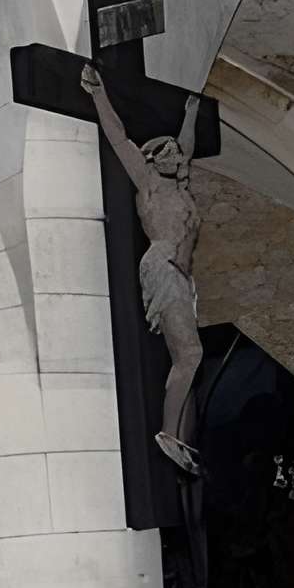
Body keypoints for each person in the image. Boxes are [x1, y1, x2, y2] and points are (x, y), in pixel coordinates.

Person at [82, 61, 206, 475]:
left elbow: (187, 145)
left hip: (184, 276)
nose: (176, 152)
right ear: (153, 160)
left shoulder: (182, 190)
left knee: (187, 357)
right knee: (190, 353)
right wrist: (98, 93)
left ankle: (179, 436)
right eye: (166, 150)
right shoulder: (150, 185)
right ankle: (168, 435)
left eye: (175, 149)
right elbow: (118, 137)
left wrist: (190, 112)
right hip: (163, 264)